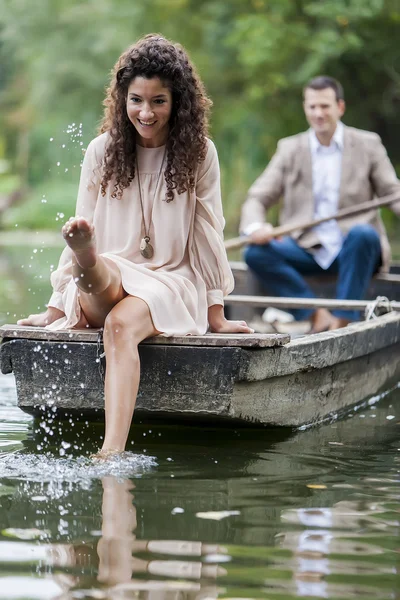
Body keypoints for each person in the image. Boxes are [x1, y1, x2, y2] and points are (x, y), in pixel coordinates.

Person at [18, 34, 252, 457]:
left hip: (169, 279)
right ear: (121, 99)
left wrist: (215, 312)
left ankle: (111, 451)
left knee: (120, 325)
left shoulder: (199, 154)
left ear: (177, 101)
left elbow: (206, 236)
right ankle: (86, 258)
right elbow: (80, 215)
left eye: (158, 101)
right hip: (109, 276)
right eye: (136, 100)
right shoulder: (101, 151)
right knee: (97, 268)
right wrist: (55, 307)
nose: (145, 112)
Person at [240, 75, 400, 333]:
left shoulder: (368, 145)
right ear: (305, 108)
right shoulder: (289, 148)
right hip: (306, 247)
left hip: (353, 250)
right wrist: (256, 226)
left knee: (363, 235)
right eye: (312, 106)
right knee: (255, 253)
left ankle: (342, 320)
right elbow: (257, 197)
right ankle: (315, 315)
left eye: (325, 106)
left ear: (340, 107)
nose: (318, 113)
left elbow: (394, 192)